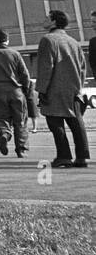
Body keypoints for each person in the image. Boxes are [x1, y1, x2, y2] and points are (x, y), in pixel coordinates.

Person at [35, 10, 89, 169]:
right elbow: (82, 67)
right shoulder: (73, 41)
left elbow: (46, 67)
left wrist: (41, 89)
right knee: (76, 123)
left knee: (55, 123)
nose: (44, 20)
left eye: (47, 18)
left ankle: (64, 156)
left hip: (54, 89)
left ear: (54, 21)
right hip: (73, 89)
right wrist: (79, 86)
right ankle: (82, 157)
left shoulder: (48, 40)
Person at [0, 29, 32, 157]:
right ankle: (21, 149)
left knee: (2, 117)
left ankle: (5, 132)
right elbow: (25, 74)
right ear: (7, 40)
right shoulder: (15, 54)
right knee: (20, 121)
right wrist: (26, 90)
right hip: (16, 91)